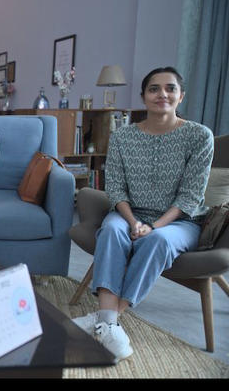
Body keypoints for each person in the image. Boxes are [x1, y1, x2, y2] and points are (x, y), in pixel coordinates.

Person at [72, 66, 214, 362]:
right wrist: (133, 221)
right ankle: (109, 324)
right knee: (111, 230)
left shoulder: (199, 136)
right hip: (129, 213)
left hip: (180, 221)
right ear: (143, 96)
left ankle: (106, 319)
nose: (162, 94)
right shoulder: (123, 136)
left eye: (170, 88)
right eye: (154, 89)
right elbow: (115, 187)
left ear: (181, 96)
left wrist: (155, 226)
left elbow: (190, 196)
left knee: (157, 240)